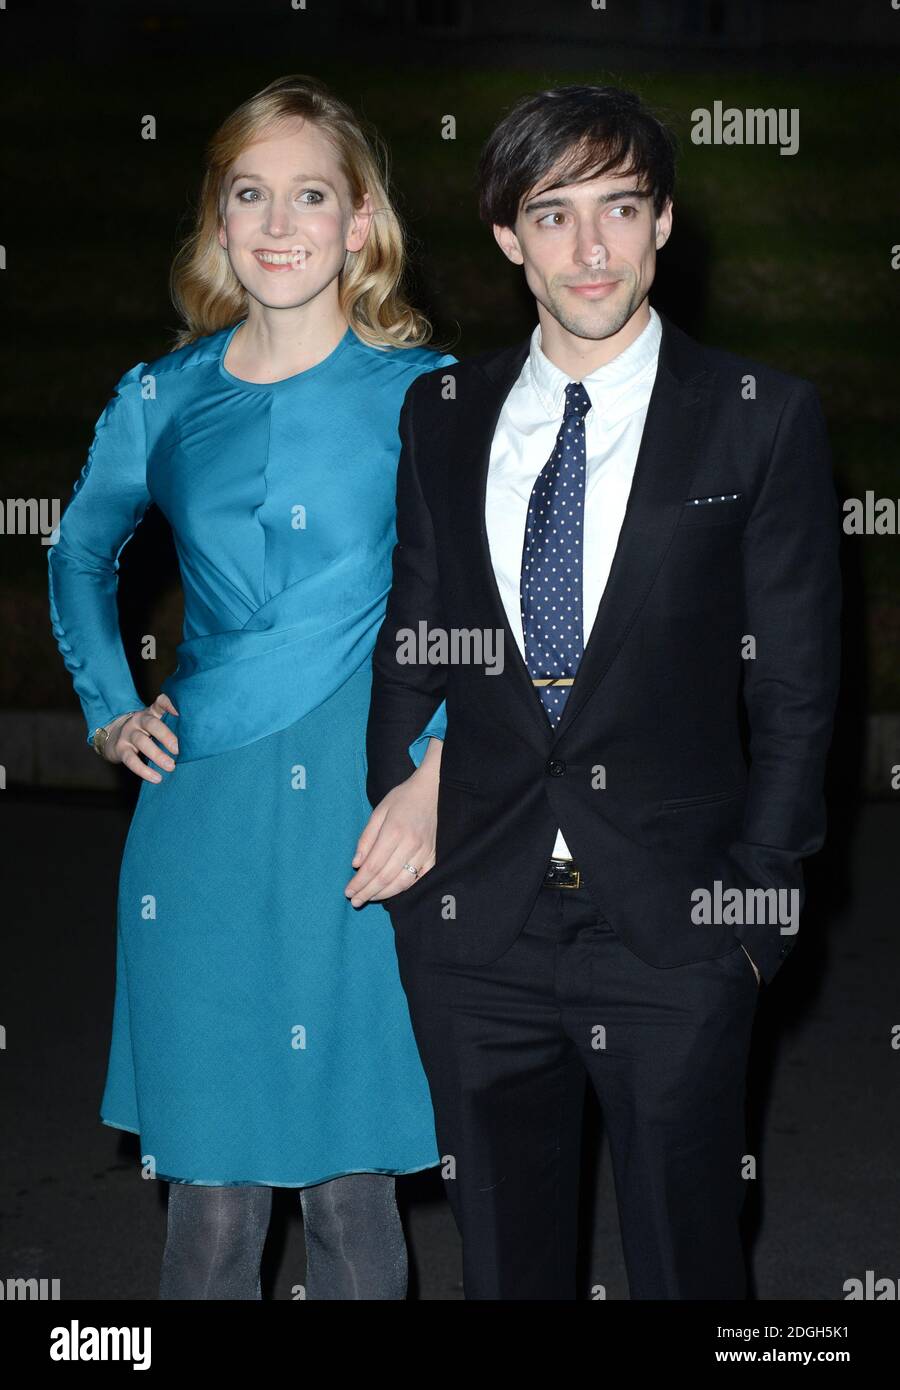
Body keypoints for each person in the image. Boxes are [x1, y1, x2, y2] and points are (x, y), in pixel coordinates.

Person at [351, 84, 842, 1299]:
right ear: (509, 235)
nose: (590, 250)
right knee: (509, 1273)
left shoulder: (759, 421)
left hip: (678, 929)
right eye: (553, 214)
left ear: (663, 222)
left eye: (619, 209)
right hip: (480, 924)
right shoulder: (446, 414)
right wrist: (414, 783)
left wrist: (758, 915)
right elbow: (423, 637)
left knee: (690, 1267)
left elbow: (796, 690)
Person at [47, 73, 454, 1300]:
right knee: (210, 1206)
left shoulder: (430, 395)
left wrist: (442, 776)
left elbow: (484, 610)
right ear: (219, 222)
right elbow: (77, 551)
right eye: (251, 193)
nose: (281, 222)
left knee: (350, 1192)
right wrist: (109, 702)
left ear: (362, 223)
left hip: (366, 803)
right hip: (203, 811)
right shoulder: (162, 398)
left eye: (312, 194)